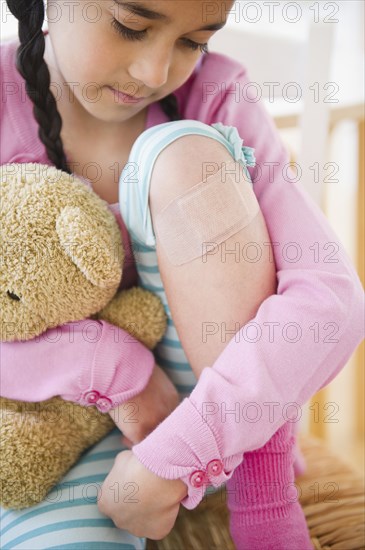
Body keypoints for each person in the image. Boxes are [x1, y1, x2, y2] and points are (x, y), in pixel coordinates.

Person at [0, 0, 363, 548]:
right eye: (131, 26)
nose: (154, 72)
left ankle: (258, 494)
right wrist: (114, 370)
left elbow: (330, 300)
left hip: (213, 422)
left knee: (190, 154)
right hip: (43, 425)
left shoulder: (218, 97)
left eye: (194, 41)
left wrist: (182, 453)